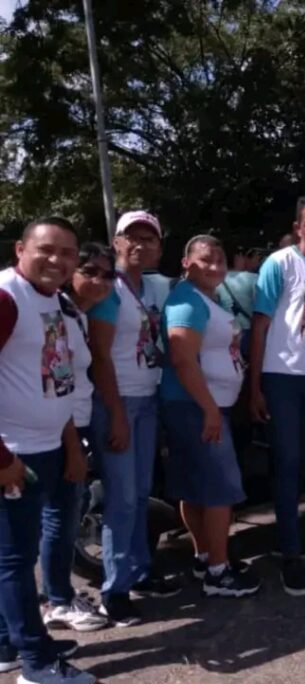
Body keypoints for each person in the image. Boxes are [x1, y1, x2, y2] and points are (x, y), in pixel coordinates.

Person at [0, 216, 96, 684]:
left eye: (67, 252)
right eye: (46, 249)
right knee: (15, 561)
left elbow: (56, 379)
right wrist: (2, 461)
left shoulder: (54, 302)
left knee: (14, 557)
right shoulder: (6, 298)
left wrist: (69, 444)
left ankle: (7, 644)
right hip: (15, 453)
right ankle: (36, 662)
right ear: (21, 250)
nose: (57, 260)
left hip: (47, 445)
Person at [89, 210, 180, 627]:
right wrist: (115, 415)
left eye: (150, 238)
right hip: (119, 402)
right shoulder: (110, 289)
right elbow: (100, 357)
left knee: (140, 493)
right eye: (133, 237)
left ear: (159, 247)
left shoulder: (149, 288)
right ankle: (114, 591)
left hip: (146, 399)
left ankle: (139, 572)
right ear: (117, 242)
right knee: (122, 500)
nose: (141, 245)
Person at [250, 194, 305, 596]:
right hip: (281, 377)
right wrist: (255, 386)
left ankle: (290, 536)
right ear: (297, 228)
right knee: (286, 463)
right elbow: (260, 326)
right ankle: (290, 556)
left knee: (303, 461)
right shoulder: (280, 263)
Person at [160, 236, 261, 598]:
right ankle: (218, 572)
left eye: (220, 259)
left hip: (204, 406)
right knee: (221, 489)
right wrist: (209, 410)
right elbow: (183, 359)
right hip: (198, 408)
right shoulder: (187, 302)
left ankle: (205, 556)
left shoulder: (208, 298)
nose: (215, 265)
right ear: (186, 262)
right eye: (205, 259)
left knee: (196, 487)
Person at [39, 243, 115, 633]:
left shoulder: (76, 315)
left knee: (63, 513)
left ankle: (54, 594)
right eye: (90, 271)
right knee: (59, 516)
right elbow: (58, 383)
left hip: (76, 423)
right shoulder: (58, 314)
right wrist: (72, 442)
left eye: (108, 274)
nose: (99, 280)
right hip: (62, 427)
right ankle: (56, 600)